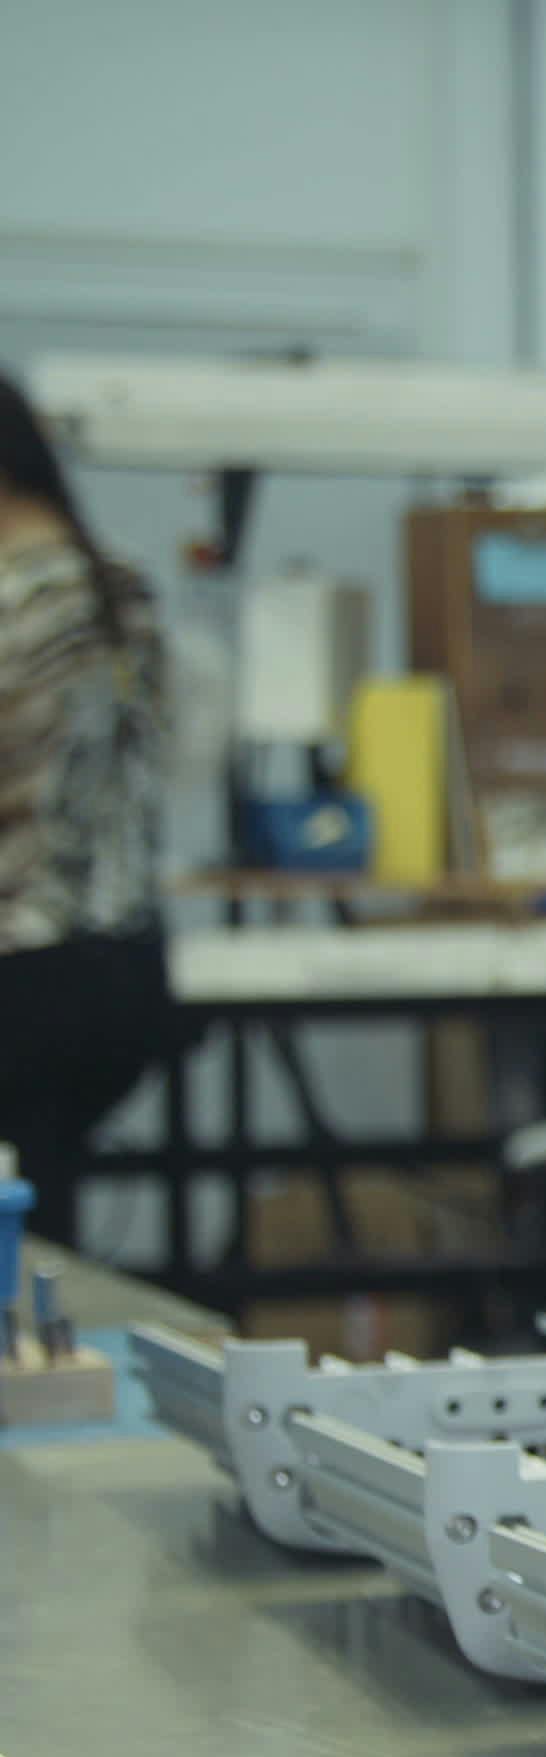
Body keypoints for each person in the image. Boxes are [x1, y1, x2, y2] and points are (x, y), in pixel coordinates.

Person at [0, 369, 176, 1251]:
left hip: (23, 969)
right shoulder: (121, 588)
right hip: (125, 967)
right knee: (37, 1217)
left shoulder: (15, 601)